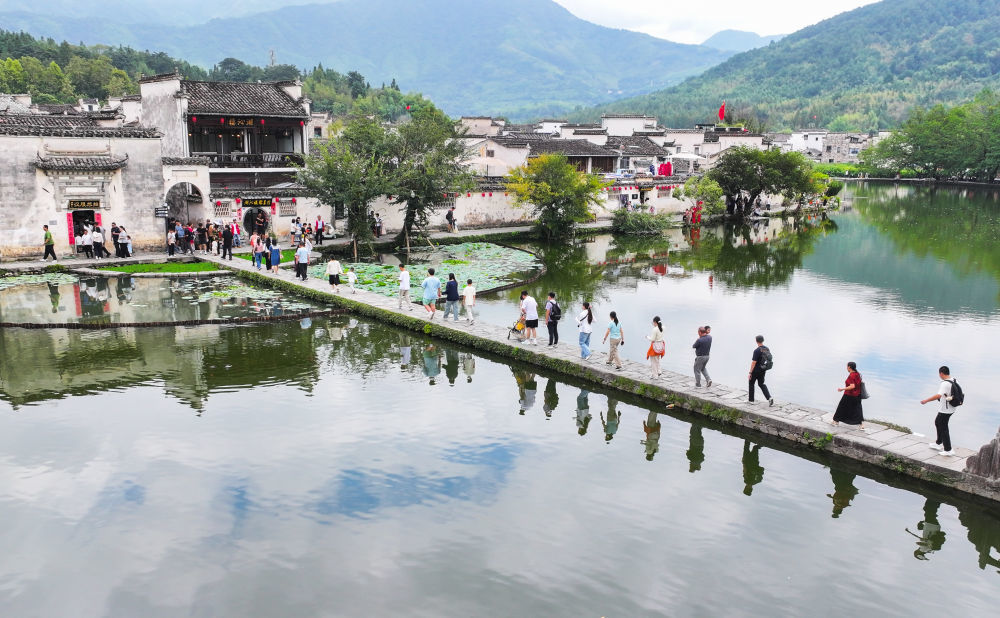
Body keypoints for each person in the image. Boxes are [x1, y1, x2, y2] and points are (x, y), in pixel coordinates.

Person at [920, 366, 958, 456]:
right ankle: (938, 443)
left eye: (939, 374)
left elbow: (938, 395)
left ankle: (948, 450)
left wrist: (926, 400)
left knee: (943, 427)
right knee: (938, 422)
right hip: (952, 408)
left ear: (941, 373)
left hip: (946, 409)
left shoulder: (945, 384)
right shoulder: (954, 380)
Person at [832, 361, 866, 429]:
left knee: (841, 407)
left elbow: (852, 386)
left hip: (849, 395)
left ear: (849, 367)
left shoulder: (852, 375)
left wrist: (842, 389)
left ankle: (836, 421)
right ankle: (861, 424)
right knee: (857, 410)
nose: (846, 368)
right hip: (857, 395)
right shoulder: (857, 374)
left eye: (847, 366)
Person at [749, 335, 774, 406]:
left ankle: (751, 400)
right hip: (763, 369)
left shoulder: (756, 350)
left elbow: (754, 362)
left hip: (755, 370)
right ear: (763, 340)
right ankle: (769, 397)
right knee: (761, 384)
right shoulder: (767, 349)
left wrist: (750, 372)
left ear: (756, 341)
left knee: (751, 383)